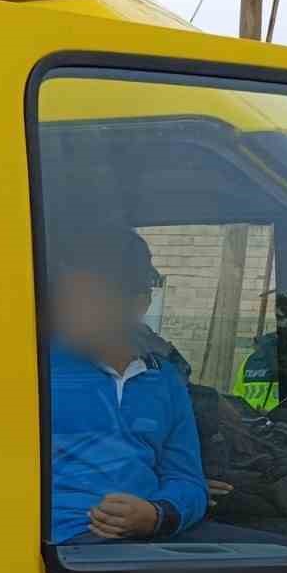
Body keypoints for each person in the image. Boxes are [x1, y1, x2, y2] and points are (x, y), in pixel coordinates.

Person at [47, 228, 208, 543]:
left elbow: (187, 479)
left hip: (144, 541)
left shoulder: (164, 382)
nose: (70, 310)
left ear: (139, 302)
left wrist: (157, 514)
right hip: (58, 548)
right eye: (67, 296)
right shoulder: (33, 371)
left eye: (91, 297)